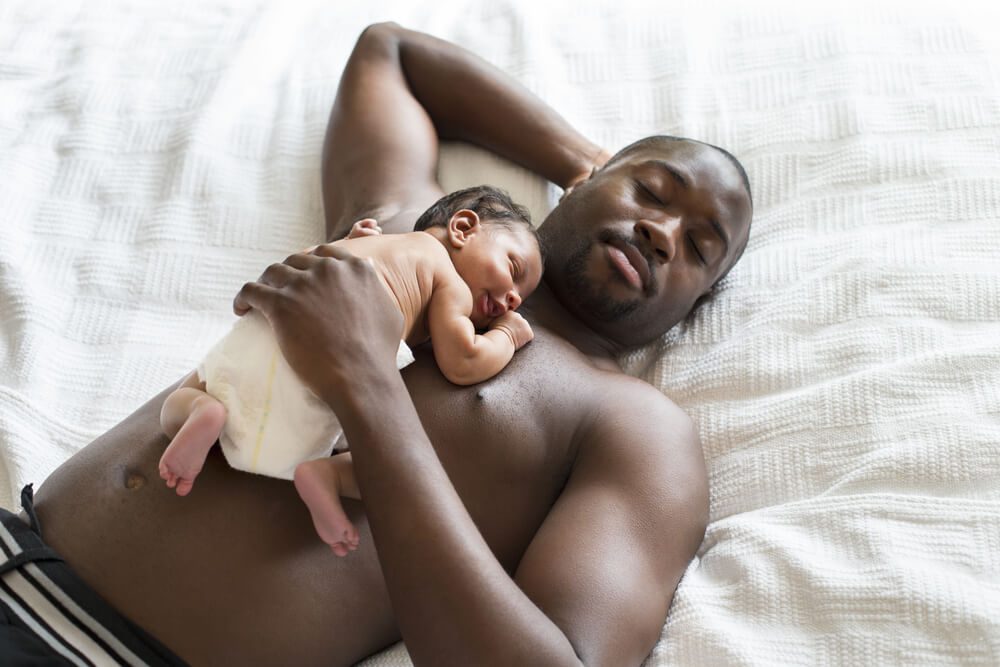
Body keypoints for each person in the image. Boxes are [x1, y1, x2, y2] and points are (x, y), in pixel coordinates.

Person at [8, 22, 753, 666]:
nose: (662, 231)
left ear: (697, 302)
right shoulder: (412, 229)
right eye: (650, 191)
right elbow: (391, 55)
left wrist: (366, 381)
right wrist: (586, 158)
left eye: (699, 246)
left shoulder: (635, 430)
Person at [157, 187, 543, 555]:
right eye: (513, 268)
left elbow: (319, 259)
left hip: (265, 326)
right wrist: (507, 335)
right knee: (386, 465)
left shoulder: (372, 240)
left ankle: (201, 413)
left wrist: (352, 238)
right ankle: (330, 476)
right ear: (462, 228)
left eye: (520, 301)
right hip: (326, 361)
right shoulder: (450, 283)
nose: (513, 299)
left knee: (185, 396)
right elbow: (463, 361)